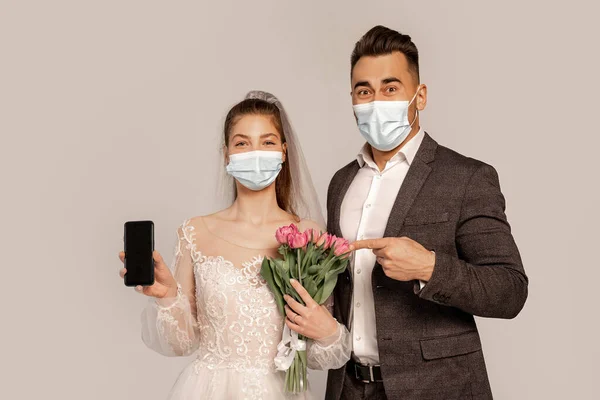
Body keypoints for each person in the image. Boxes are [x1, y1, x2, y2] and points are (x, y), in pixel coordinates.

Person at [284, 26, 529, 399]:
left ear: (420, 96)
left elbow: (510, 291)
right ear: (352, 99)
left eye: (390, 88)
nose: (376, 100)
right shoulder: (341, 183)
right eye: (364, 91)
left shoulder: (467, 178)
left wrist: (429, 267)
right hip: (349, 387)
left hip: (438, 388)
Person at [118, 91, 351, 400]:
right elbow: (183, 343)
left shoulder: (309, 236)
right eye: (242, 143)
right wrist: (166, 297)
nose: (255, 152)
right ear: (227, 153)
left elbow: (322, 357)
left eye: (267, 142)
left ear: (283, 151)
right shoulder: (195, 232)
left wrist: (327, 331)